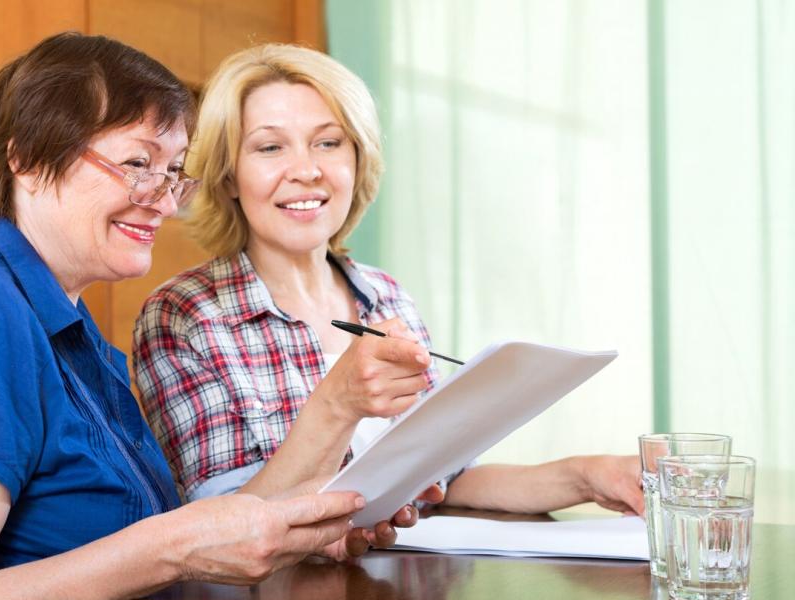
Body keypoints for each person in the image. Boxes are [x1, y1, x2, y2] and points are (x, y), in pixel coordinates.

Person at [0, 34, 430, 600]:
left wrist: (301, 530)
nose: (164, 201)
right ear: (26, 159)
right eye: (136, 165)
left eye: (172, 172)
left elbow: (180, 544)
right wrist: (168, 550)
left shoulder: (68, 332)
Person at [133, 43, 643, 515]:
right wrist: (337, 404)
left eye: (328, 142)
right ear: (228, 176)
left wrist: (586, 475)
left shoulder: (387, 297)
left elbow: (446, 480)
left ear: (357, 160)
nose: (306, 170)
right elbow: (223, 525)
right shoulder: (183, 316)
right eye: (270, 148)